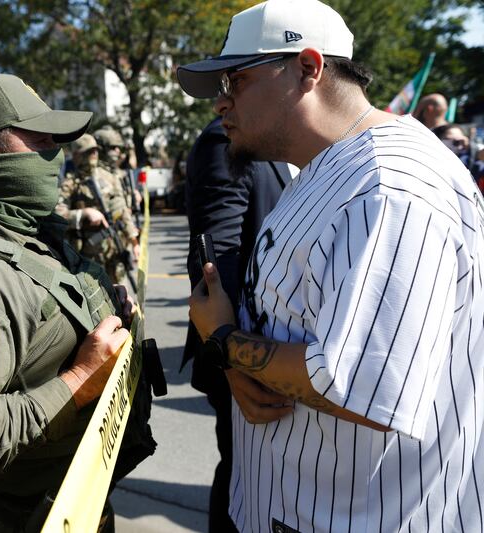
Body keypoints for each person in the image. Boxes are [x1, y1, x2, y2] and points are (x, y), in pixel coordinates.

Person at [178, 0, 484, 531]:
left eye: (236, 81)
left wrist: (224, 340)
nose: (221, 103)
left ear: (308, 68)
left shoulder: (388, 187)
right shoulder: (326, 166)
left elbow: (361, 386)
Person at [0, 73, 152, 532]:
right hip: (30, 516)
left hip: (77, 495)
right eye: (40, 144)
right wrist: (78, 380)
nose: (55, 160)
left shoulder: (30, 230)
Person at [180, 114, 290, 533]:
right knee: (242, 482)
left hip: (267, 354)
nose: (226, 96)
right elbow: (215, 257)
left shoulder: (282, 140)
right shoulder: (225, 137)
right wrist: (233, 355)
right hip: (241, 354)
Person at [56, 132, 139, 284]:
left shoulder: (110, 178)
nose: (93, 154)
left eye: (95, 150)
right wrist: (83, 214)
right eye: (88, 151)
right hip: (88, 256)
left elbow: (122, 210)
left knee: (121, 294)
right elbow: (57, 215)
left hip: (115, 250)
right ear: (76, 155)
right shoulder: (71, 184)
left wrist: (133, 240)